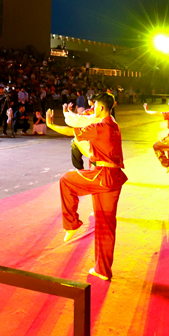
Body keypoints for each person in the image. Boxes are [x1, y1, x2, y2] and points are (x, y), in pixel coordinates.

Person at [47, 94, 127, 282]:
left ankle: (72, 223)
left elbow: (71, 132)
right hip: (114, 177)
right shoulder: (114, 125)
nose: (93, 108)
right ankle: (103, 270)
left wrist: (51, 125)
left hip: (102, 175)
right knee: (106, 224)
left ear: (101, 108)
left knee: (66, 180)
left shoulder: (100, 127)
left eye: (95, 105)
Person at [143, 95, 169, 187]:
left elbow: (159, 113)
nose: (168, 103)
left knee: (156, 146)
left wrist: (147, 111)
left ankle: (167, 164)